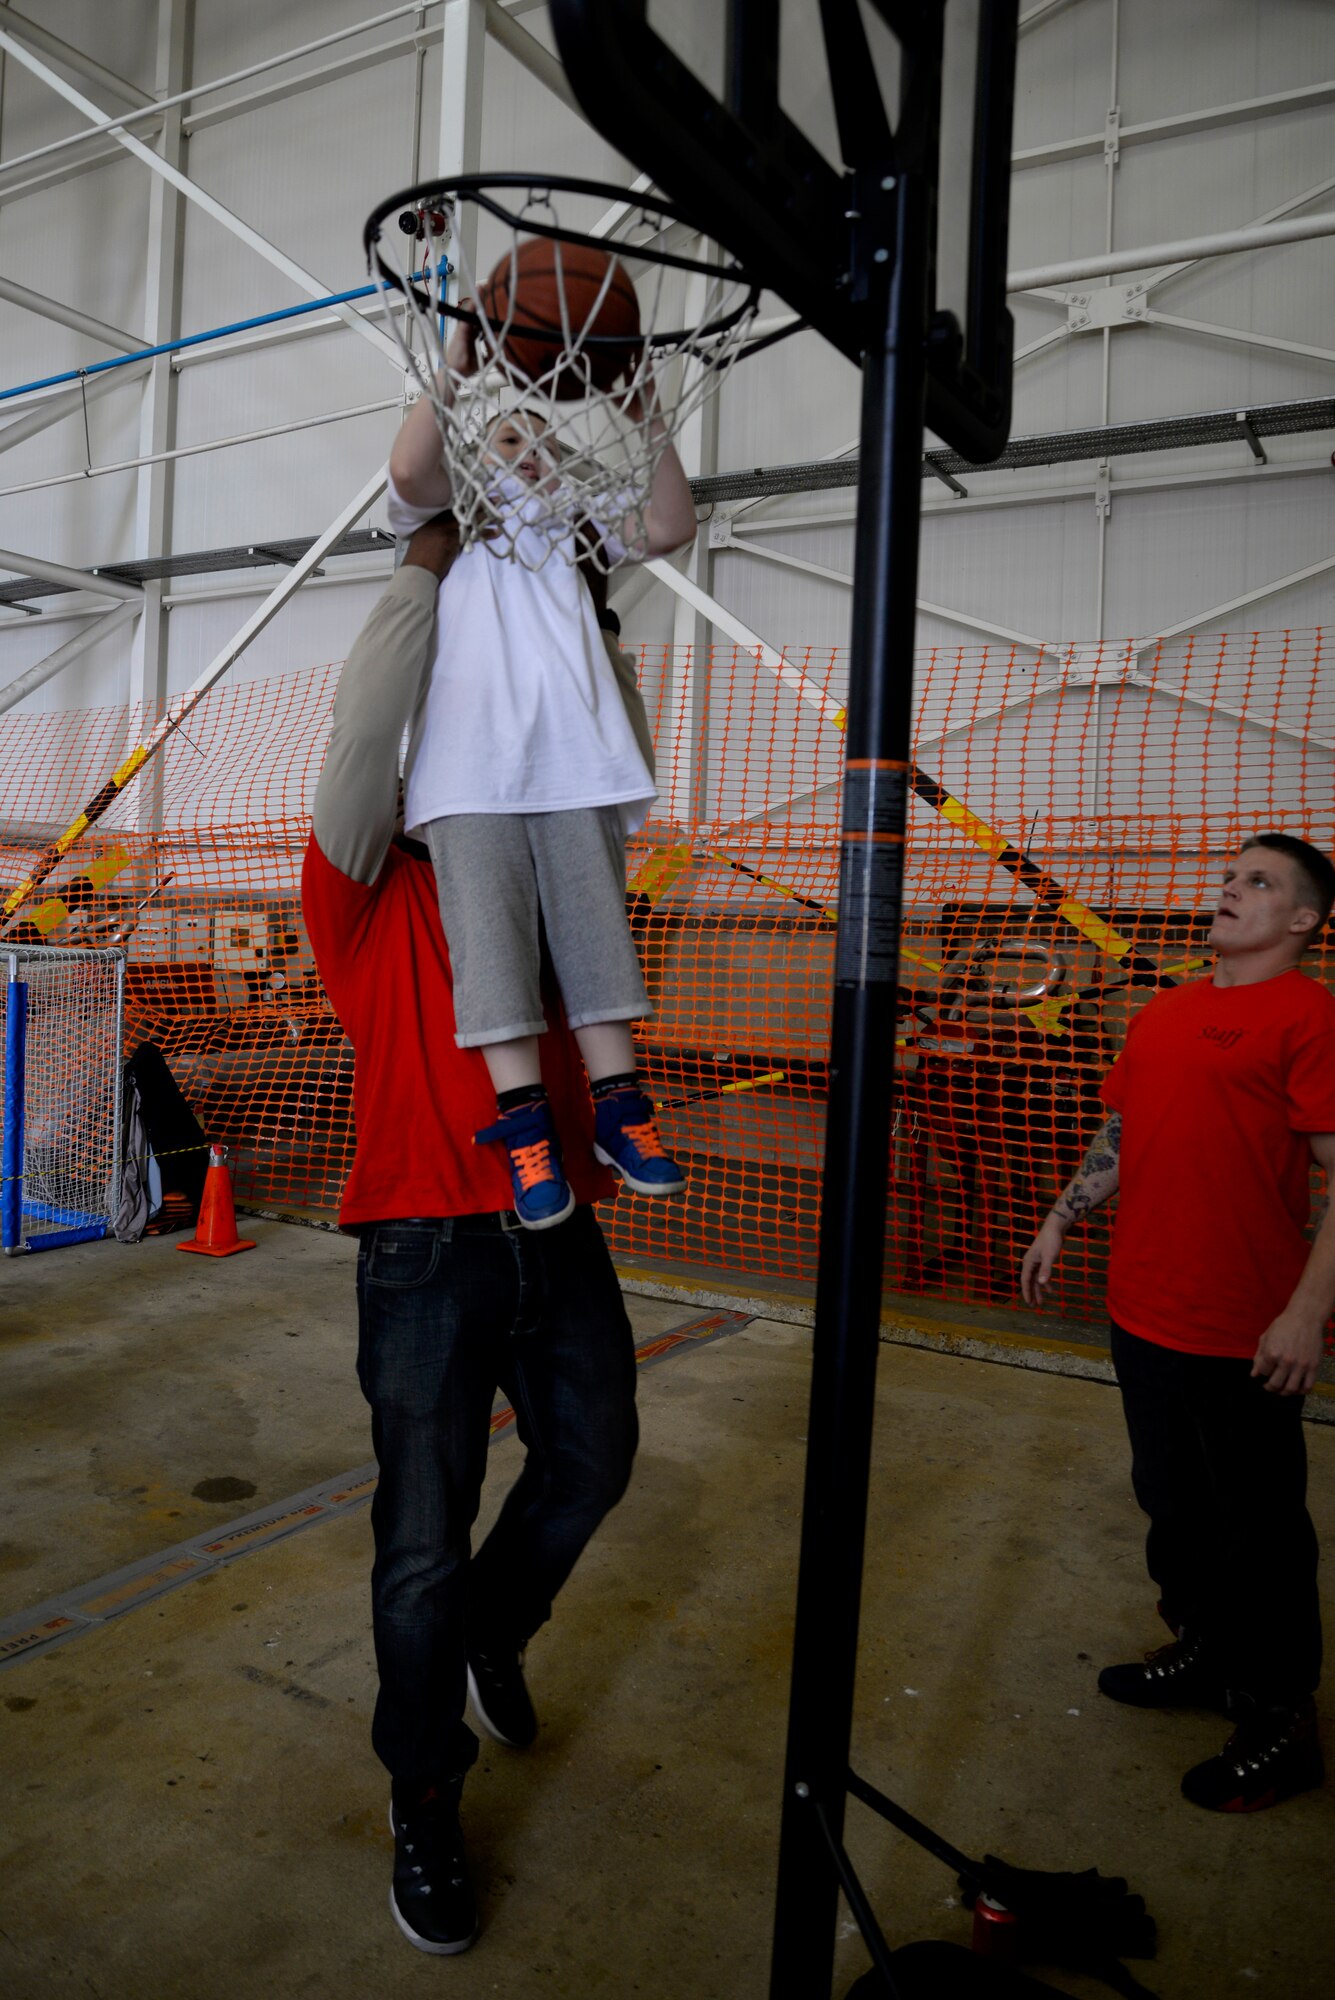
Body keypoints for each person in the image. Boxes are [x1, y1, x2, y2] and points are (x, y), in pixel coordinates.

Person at [301, 513, 641, 1955]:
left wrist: (576, 592)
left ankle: (498, 1631)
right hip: (423, 1246)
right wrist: (424, 568)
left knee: (593, 1459)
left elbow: (599, 732)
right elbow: (363, 722)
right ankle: (423, 1793)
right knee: (418, 1543)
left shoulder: (565, 871)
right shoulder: (366, 895)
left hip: (552, 1227)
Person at [1020, 834, 1335, 1812]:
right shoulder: (1162, 1011)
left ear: (1302, 920)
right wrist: (1063, 1214)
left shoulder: (1311, 1016)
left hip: (1243, 1327)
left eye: (1259, 881)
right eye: (1230, 875)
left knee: (1262, 1529)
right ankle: (1205, 1646)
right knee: (1174, 1503)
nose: (1230, 890)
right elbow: (1125, 1130)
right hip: (1142, 1309)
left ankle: (1280, 1715)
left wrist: (1305, 1312)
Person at [385, 311, 698, 1228]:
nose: (527, 451)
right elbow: (409, 466)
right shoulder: (441, 520)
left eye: (542, 440)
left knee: (596, 938)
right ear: (474, 458)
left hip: (576, 765)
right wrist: (456, 362)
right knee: (493, 956)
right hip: (467, 774)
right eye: (508, 437)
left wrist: (645, 413)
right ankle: (525, 1131)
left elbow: (672, 523)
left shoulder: (574, 528)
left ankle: (620, 1111)